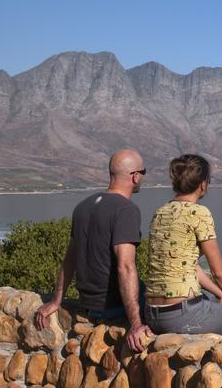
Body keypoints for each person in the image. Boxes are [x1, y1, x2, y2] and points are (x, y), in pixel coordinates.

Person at [35, 149, 152, 352]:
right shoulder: (126, 210)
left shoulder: (82, 207)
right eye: (143, 171)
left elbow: (69, 259)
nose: (142, 176)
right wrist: (135, 323)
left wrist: (56, 301)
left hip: (88, 305)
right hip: (112, 307)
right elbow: (125, 267)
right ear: (134, 176)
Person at [144, 154, 222, 346]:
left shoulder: (161, 212)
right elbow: (218, 270)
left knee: (215, 300)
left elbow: (190, 266)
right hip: (181, 315)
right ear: (203, 184)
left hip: (152, 313)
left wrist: (221, 294)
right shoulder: (199, 213)